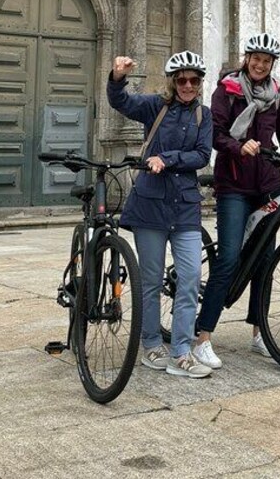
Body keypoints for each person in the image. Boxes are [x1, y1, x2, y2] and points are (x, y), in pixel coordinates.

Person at [192, 33, 280, 369]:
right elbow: (215, 133)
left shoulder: (276, 95)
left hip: (266, 185)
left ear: (271, 65)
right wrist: (239, 146)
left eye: (266, 61)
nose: (260, 64)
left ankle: (259, 333)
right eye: (256, 58)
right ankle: (202, 337)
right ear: (247, 58)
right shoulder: (227, 89)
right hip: (235, 185)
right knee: (228, 259)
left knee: (264, 263)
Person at [108, 51, 214, 378]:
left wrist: (165, 158)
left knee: (190, 279)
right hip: (151, 204)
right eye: (181, 79)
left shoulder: (203, 115)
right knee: (151, 281)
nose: (187, 85)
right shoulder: (156, 106)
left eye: (193, 80)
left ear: (199, 84)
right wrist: (117, 77)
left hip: (184, 206)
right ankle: (151, 343)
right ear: (172, 81)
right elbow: (121, 102)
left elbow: (201, 155)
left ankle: (181, 351)